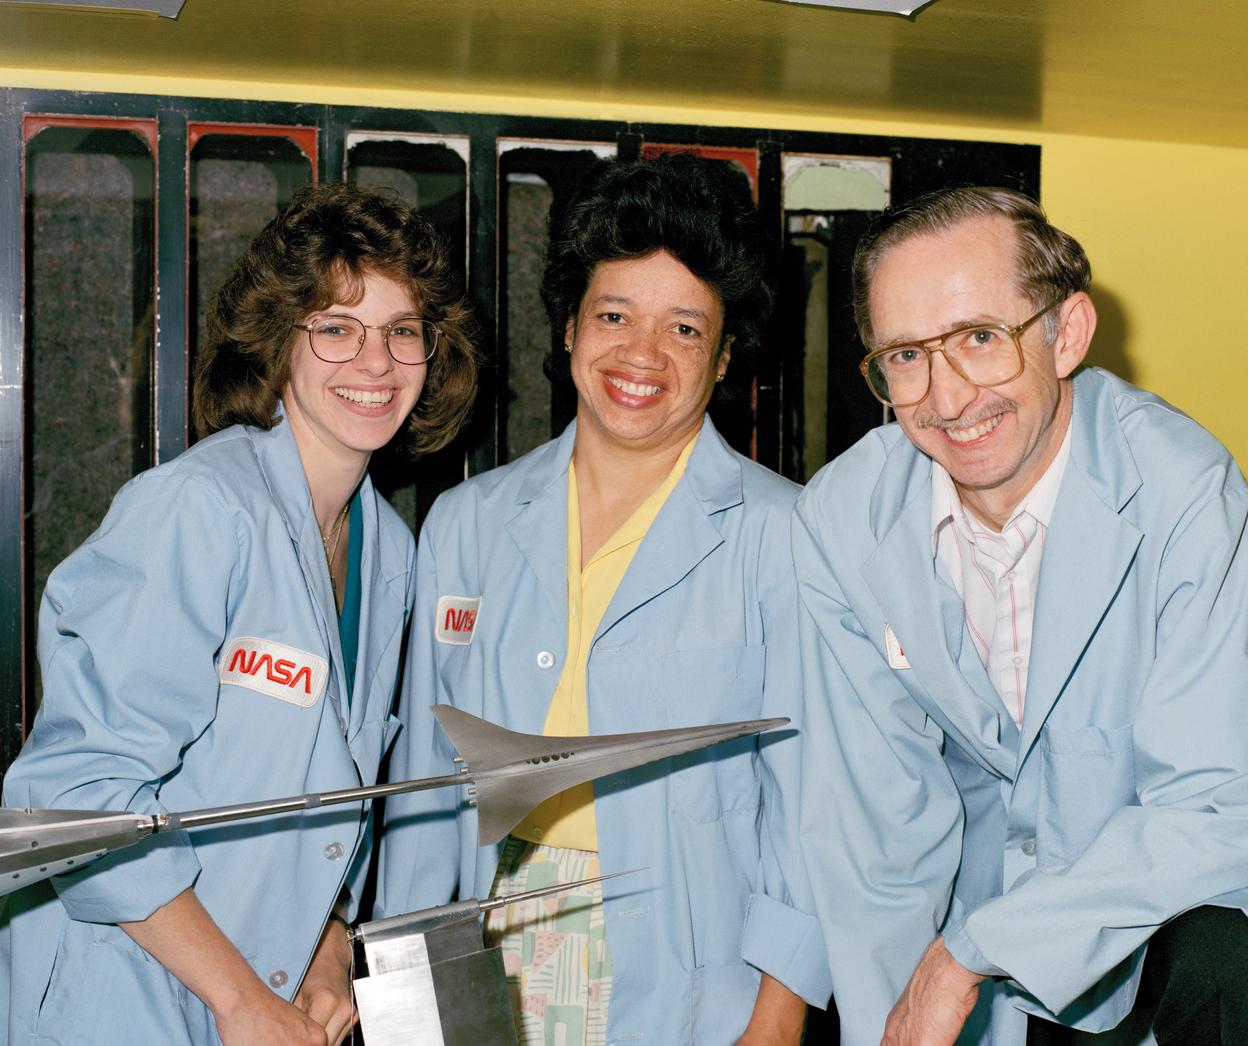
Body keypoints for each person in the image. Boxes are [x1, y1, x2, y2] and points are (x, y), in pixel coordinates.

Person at [0, 183, 479, 1046]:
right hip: (116, 984)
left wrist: (325, 937)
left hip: (249, 990)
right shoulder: (200, 511)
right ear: (280, 343)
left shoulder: (389, 551)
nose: (376, 362)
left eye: (403, 332)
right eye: (337, 328)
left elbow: (322, 808)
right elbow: (72, 798)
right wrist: (241, 999)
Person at [378, 152, 828, 1046]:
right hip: (485, 935)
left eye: (685, 330)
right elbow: (424, 789)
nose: (642, 356)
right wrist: (405, 1001)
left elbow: (814, 801)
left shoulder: (784, 535)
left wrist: (779, 1019)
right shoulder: (468, 523)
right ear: (572, 329)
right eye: (614, 315)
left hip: (693, 966)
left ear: (727, 354)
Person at [792, 186, 1248, 1045]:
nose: (948, 397)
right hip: (970, 963)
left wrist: (971, 953)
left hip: (1166, 936)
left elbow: (1214, 810)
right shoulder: (841, 519)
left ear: (1066, 334)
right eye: (904, 356)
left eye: (978, 339)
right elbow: (873, 825)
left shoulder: (1187, 492)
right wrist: (896, 1017)